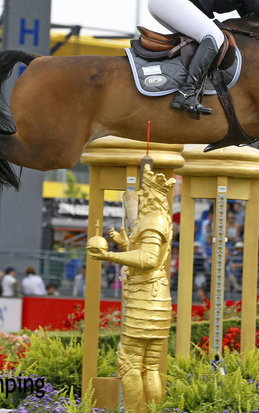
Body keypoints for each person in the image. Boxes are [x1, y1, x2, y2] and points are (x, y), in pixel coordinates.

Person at [86, 164, 175, 413]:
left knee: (129, 363)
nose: (140, 196)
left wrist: (109, 256)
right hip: (152, 298)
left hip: (146, 301)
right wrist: (126, 244)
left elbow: (148, 260)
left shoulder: (154, 220)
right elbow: (149, 256)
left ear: (153, 195)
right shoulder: (157, 218)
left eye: (144, 192)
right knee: (150, 367)